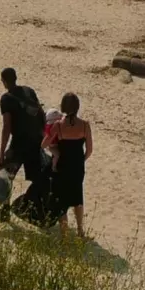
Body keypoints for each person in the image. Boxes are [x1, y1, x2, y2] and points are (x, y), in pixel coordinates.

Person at [0, 68, 52, 223]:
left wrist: (2, 152)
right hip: (35, 142)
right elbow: (41, 114)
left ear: (4, 81)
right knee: (38, 177)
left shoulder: (6, 99)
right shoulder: (29, 91)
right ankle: (38, 211)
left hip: (19, 143)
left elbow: (7, 126)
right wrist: (43, 136)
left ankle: (5, 211)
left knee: (7, 175)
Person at [47, 92, 93, 238]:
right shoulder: (85, 125)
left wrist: (56, 152)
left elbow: (44, 144)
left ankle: (65, 235)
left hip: (62, 167)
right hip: (77, 167)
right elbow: (89, 150)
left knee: (62, 201)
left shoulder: (58, 126)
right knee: (78, 198)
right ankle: (80, 231)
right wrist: (80, 161)